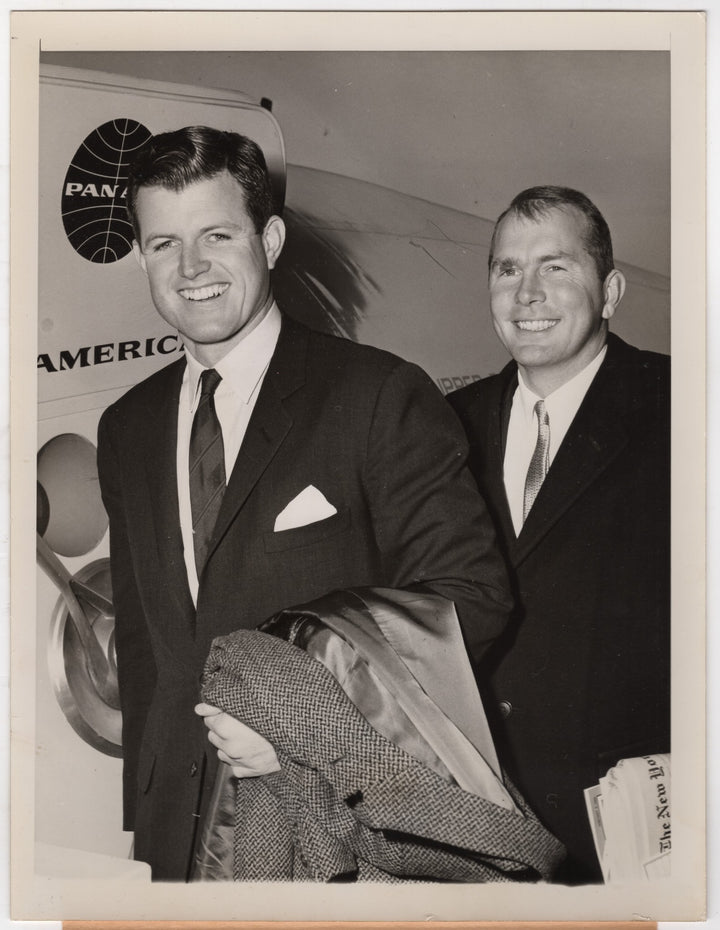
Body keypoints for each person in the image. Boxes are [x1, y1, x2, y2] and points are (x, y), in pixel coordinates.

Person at [96, 126, 513, 881]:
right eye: (163, 244)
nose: (190, 268)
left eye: (217, 235)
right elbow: (146, 648)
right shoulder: (126, 427)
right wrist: (144, 826)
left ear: (271, 240)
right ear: (142, 259)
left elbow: (468, 599)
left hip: (328, 833)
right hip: (175, 846)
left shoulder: (376, 395)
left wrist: (301, 730)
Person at [449, 186, 670, 884]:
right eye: (508, 269)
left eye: (556, 266)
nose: (527, 294)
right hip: (474, 822)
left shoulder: (684, 407)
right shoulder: (444, 424)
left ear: (610, 292)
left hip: (631, 828)